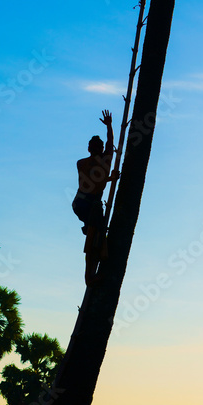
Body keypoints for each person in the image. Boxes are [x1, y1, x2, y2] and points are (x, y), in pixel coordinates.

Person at [72, 110, 117, 285]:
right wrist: (109, 178)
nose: (97, 149)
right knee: (92, 240)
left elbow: (111, 143)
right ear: (89, 148)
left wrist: (109, 126)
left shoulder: (105, 160)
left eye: (99, 146)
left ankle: (92, 272)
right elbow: (92, 180)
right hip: (84, 203)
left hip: (93, 204)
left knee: (97, 238)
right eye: (94, 146)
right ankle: (88, 277)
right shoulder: (82, 163)